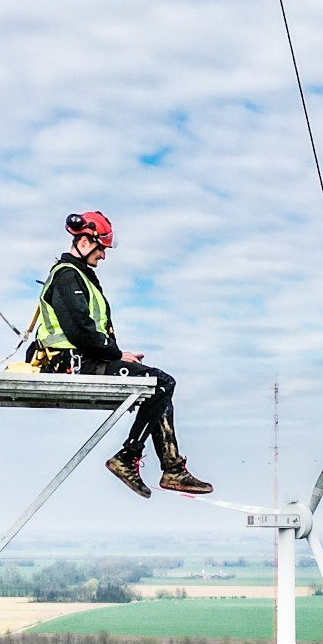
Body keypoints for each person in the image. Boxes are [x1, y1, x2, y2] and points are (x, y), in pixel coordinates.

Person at [32, 210, 212, 500]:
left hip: (85, 361)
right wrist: (116, 354)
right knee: (161, 383)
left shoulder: (79, 277)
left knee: (160, 385)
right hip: (74, 364)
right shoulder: (67, 277)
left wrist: (117, 356)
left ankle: (171, 467)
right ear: (85, 241)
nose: (103, 255)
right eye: (101, 246)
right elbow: (80, 331)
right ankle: (134, 459)